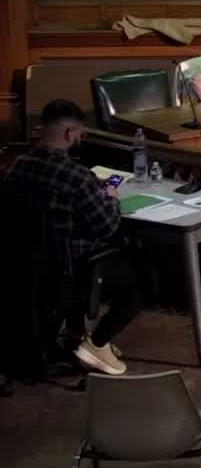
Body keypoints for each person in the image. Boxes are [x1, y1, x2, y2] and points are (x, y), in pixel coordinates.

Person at [4, 100, 140, 376]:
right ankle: (97, 344)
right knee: (142, 281)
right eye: (80, 132)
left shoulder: (18, 166)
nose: (81, 137)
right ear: (69, 133)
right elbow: (107, 226)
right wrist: (110, 197)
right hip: (70, 269)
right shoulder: (78, 177)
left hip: (22, 266)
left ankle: (71, 335)